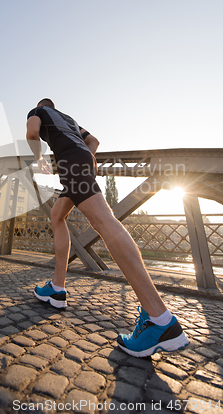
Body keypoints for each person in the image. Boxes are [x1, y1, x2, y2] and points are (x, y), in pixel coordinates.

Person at [26, 98, 189, 357]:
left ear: (43, 106)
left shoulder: (39, 111)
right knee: (57, 215)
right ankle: (57, 288)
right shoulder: (69, 120)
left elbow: (32, 132)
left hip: (69, 162)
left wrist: (38, 159)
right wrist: (89, 158)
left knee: (103, 220)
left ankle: (159, 319)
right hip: (80, 159)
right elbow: (94, 142)